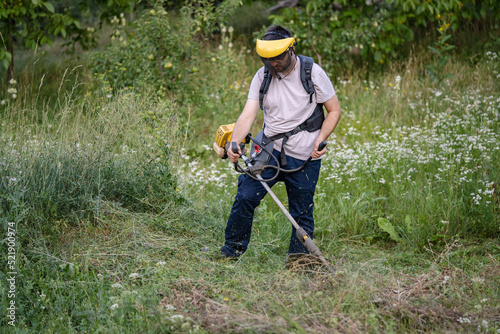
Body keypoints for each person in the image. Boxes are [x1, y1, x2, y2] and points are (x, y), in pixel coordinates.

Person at [219, 25, 341, 263]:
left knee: (301, 212)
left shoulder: (312, 72)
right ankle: (231, 251)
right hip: (269, 151)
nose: (273, 63)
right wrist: (234, 143)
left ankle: (299, 262)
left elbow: (334, 110)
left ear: (291, 49)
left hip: (305, 154)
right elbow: (248, 114)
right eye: (267, 59)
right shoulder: (262, 76)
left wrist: (320, 139)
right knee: (245, 196)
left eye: (278, 58)